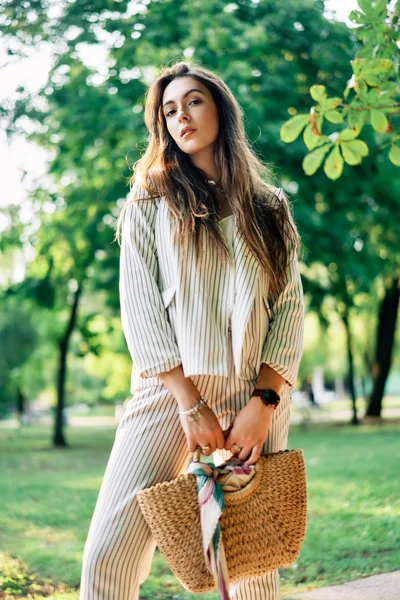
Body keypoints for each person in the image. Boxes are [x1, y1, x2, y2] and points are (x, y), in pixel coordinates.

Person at [79, 60, 305, 600]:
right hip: (168, 395)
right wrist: (189, 402)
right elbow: (140, 309)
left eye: (194, 101)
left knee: (252, 565)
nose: (181, 116)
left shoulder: (270, 208)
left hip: (256, 396)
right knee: (108, 552)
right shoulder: (147, 205)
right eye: (169, 109)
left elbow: (289, 309)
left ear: (220, 110)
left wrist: (264, 404)